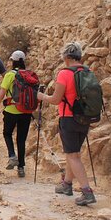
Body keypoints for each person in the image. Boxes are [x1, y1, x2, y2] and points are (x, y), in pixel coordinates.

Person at [37, 42, 96, 206]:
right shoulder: (87, 71)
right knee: (74, 152)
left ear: (67, 56)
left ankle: (86, 191)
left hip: (69, 118)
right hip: (85, 117)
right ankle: (67, 185)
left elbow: (56, 99)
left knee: (72, 155)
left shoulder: (64, 73)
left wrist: (41, 97)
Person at [0, 50, 33, 178]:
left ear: (12, 61)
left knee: (7, 133)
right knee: (21, 139)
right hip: (26, 111)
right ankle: (21, 167)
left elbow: (0, 97)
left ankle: (12, 155)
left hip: (11, 110)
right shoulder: (29, 75)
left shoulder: (10, 75)